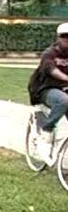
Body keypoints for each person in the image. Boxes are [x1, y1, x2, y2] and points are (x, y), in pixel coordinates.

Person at [28, 22, 68, 165]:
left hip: (64, 89)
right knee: (63, 101)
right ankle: (46, 134)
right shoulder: (49, 54)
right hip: (45, 89)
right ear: (58, 37)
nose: (67, 39)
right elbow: (52, 70)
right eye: (64, 36)